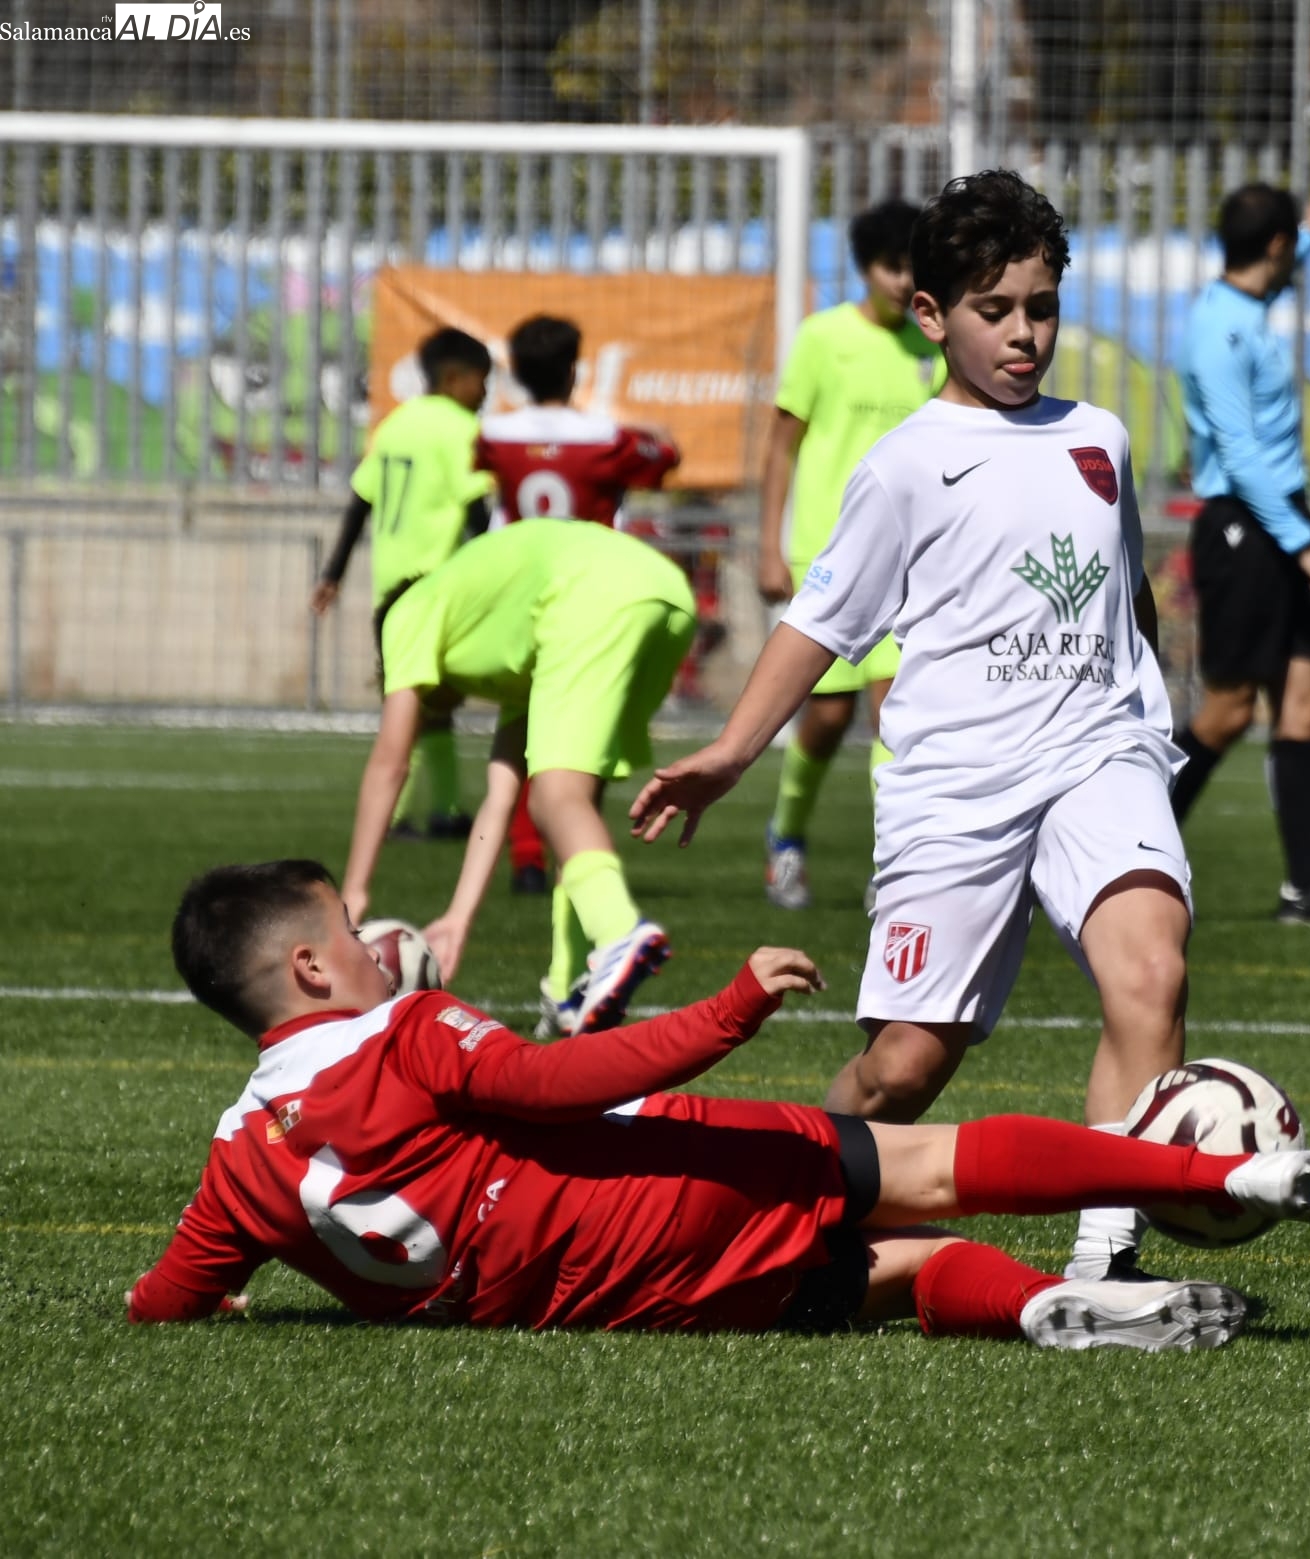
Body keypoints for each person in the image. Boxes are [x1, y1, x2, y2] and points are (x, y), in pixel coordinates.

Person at [631, 169, 1201, 1283]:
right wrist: (731, 753)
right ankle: (785, 1209)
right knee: (902, 1068)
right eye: (996, 310)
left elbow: (1123, 589)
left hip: (1099, 750)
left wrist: (1143, 699)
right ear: (933, 315)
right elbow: (821, 620)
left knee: (1150, 973)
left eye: (1041, 307)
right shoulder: (902, 465)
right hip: (957, 783)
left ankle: (1106, 1261)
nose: (1024, 333)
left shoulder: (1100, 438)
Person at [127, 859, 1310, 1350]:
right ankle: (1227, 1175)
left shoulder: (237, 1164)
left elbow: (165, 1298)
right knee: (930, 1163)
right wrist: (725, 1010)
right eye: (354, 931)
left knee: (901, 1266)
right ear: (310, 967)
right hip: (659, 1191)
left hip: (627, 1303)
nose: (376, 944)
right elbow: (556, 1078)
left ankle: (1042, 1304)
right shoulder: (401, 1032)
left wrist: (211, 1293)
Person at [341, 518, 695, 1036]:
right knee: (570, 809)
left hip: (591, 595)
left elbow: (391, 762)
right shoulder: (507, 636)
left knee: (555, 799)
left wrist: (353, 893)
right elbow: (499, 800)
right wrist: (458, 918)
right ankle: (567, 988)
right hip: (667, 595)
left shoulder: (406, 612)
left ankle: (619, 931)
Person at [1171, 182, 1310, 927]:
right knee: (1229, 710)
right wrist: (1304, 547)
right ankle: (1118, 851)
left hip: (1282, 516)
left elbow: (1277, 265)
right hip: (1245, 526)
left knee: (1300, 700)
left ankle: (1306, 886)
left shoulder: (1248, 300)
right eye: (1291, 240)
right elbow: (1238, 455)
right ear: (1274, 245)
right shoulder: (1219, 330)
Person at [756, 198, 944, 910]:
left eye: (912, 268)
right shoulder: (822, 338)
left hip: (909, 558)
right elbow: (782, 445)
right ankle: (786, 835)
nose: (903, 281)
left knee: (893, 711)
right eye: (891, 267)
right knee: (828, 718)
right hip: (827, 553)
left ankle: (890, 865)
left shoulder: (932, 347)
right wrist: (770, 545)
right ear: (866, 268)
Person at [476, 314, 683, 899]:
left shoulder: (494, 436)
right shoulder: (607, 438)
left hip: (523, 594)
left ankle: (526, 857)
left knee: (521, 726)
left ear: (516, 374)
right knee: (580, 735)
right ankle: (573, 853)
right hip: (593, 598)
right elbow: (666, 456)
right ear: (574, 370)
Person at [311, 327, 497, 841]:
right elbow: (476, 508)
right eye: (482, 380)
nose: (485, 392)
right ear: (455, 378)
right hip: (435, 585)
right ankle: (399, 815)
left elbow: (360, 500)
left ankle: (444, 810)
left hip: (389, 590)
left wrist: (333, 573)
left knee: (421, 702)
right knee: (423, 703)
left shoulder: (395, 424)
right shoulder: (460, 428)